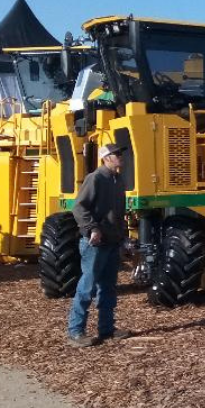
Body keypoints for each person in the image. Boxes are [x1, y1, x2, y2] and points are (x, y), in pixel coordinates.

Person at [67, 143, 132, 347]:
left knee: (108, 287)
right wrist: (92, 228)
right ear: (106, 158)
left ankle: (106, 329)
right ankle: (76, 332)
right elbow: (79, 207)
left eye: (121, 153)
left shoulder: (118, 179)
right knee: (87, 287)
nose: (121, 156)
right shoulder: (95, 178)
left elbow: (119, 214)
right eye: (117, 154)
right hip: (95, 243)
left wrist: (123, 237)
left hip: (112, 241)